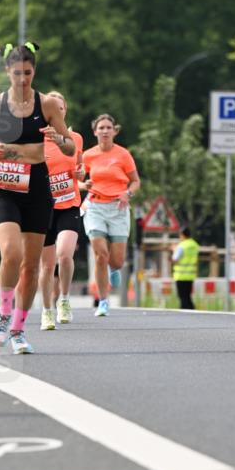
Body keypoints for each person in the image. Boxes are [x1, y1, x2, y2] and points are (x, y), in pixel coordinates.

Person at [0, 42, 73, 354]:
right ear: (7, 72)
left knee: (30, 265)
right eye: (17, 73)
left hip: (37, 187)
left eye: (28, 73)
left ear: (34, 71)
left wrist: (59, 139)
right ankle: (3, 315)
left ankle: (18, 329)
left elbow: (69, 147)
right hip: (4, 187)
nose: (23, 79)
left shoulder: (49, 105)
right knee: (11, 253)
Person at [81, 113, 140, 318]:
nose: (105, 131)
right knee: (100, 255)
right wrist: (83, 184)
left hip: (118, 208)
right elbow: (78, 178)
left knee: (117, 261)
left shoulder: (123, 155)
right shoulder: (87, 155)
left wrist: (128, 193)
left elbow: (135, 181)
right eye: (101, 128)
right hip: (95, 205)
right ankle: (103, 301)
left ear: (114, 131)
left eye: (108, 127)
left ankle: (113, 270)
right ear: (95, 132)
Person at [38, 91, 84, 330]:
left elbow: (80, 166)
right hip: (43, 208)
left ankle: (64, 300)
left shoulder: (75, 137)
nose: (57, 112)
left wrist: (80, 173)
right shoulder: (34, 140)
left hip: (69, 203)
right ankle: (46, 311)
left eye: (61, 108)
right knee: (46, 266)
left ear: (65, 111)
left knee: (64, 255)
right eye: (52, 108)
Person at [172, 226, 200, 309]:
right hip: (190, 275)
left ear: (182, 235)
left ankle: (185, 313)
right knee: (188, 296)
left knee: (182, 297)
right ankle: (192, 311)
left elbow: (175, 258)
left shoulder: (182, 246)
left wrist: (174, 250)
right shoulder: (194, 245)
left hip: (181, 275)